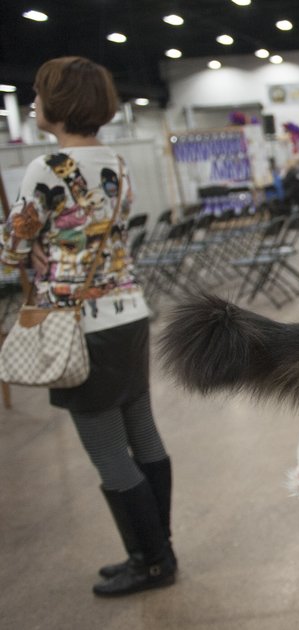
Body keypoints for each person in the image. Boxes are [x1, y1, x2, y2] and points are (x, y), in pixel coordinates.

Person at [1, 56, 175, 597]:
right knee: (142, 433)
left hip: (79, 326)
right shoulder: (117, 164)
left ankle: (152, 561)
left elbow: (13, 253)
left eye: (38, 92)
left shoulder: (46, 168)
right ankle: (154, 548)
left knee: (106, 450)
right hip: (128, 315)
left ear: (60, 102)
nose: (32, 102)